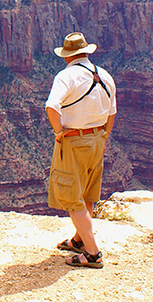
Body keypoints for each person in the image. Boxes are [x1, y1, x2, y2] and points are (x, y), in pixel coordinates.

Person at [45, 32, 116, 269]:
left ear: (67, 56)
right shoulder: (104, 75)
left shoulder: (66, 76)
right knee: (87, 193)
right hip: (97, 139)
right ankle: (78, 240)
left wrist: (58, 132)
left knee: (73, 198)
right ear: (86, 52)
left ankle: (93, 253)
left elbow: (51, 107)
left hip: (74, 141)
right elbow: (112, 112)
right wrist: (103, 137)